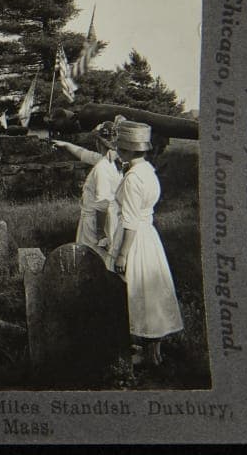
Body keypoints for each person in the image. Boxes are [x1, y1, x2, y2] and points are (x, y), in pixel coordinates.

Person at [106, 120, 183, 367]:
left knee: (136, 292)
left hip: (135, 238)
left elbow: (130, 220)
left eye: (120, 147)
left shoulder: (132, 178)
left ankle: (138, 350)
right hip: (149, 236)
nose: (117, 151)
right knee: (152, 292)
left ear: (128, 149)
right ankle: (154, 351)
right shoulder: (148, 171)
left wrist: (122, 254)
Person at [52, 120, 123, 259]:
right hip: (111, 218)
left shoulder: (102, 167)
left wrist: (101, 235)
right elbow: (84, 154)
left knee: (93, 259)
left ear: (98, 143)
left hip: (95, 223)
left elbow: (102, 204)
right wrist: (66, 144)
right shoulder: (113, 161)